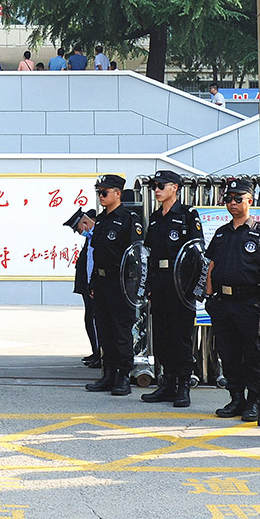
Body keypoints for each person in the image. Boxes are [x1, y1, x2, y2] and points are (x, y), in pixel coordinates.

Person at [203, 179, 260, 421]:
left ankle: (254, 400)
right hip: (223, 302)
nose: (232, 203)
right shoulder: (222, 233)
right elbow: (211, 265)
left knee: (252, 352)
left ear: (250, 201)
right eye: (228, 199)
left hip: (249, 301)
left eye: (238, 199)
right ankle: (236, 398)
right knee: (228, 351)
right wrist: (208, 294)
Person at [142, 170, 204, 408]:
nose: (156, 190)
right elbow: (148, 255)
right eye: (154, 186)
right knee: (162, 335)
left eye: (160, 185)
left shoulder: (188, 214)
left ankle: (183, 385)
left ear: (175, 188)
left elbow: (197, 252)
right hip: (159, 284)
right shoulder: (156, 218)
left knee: (180, 336)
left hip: (180, 285)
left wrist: (190, 286)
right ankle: (167, 383)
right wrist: (148, 286)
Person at [84, 175, 143, 396]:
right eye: (99, 192)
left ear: (118, 193)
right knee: (104, 330)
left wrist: (134, 286)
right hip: (101, 282)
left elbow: (137, 255)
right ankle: (108, 374)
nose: (100, 196)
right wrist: (92, 282)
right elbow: (97, 253)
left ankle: (123, 376)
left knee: (120, 331)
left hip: (121, 283)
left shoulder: (129, 219)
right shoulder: (101, 219)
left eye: (104, 192)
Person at [66, 208, 99, 367]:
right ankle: (97, 352)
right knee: (90, 319)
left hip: (94, 287)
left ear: (85, 222)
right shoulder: (91, 237)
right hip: (88, 287)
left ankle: (100, 354)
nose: (80, 233)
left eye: (79, 230)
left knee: (95, 320)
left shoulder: (98, 235)